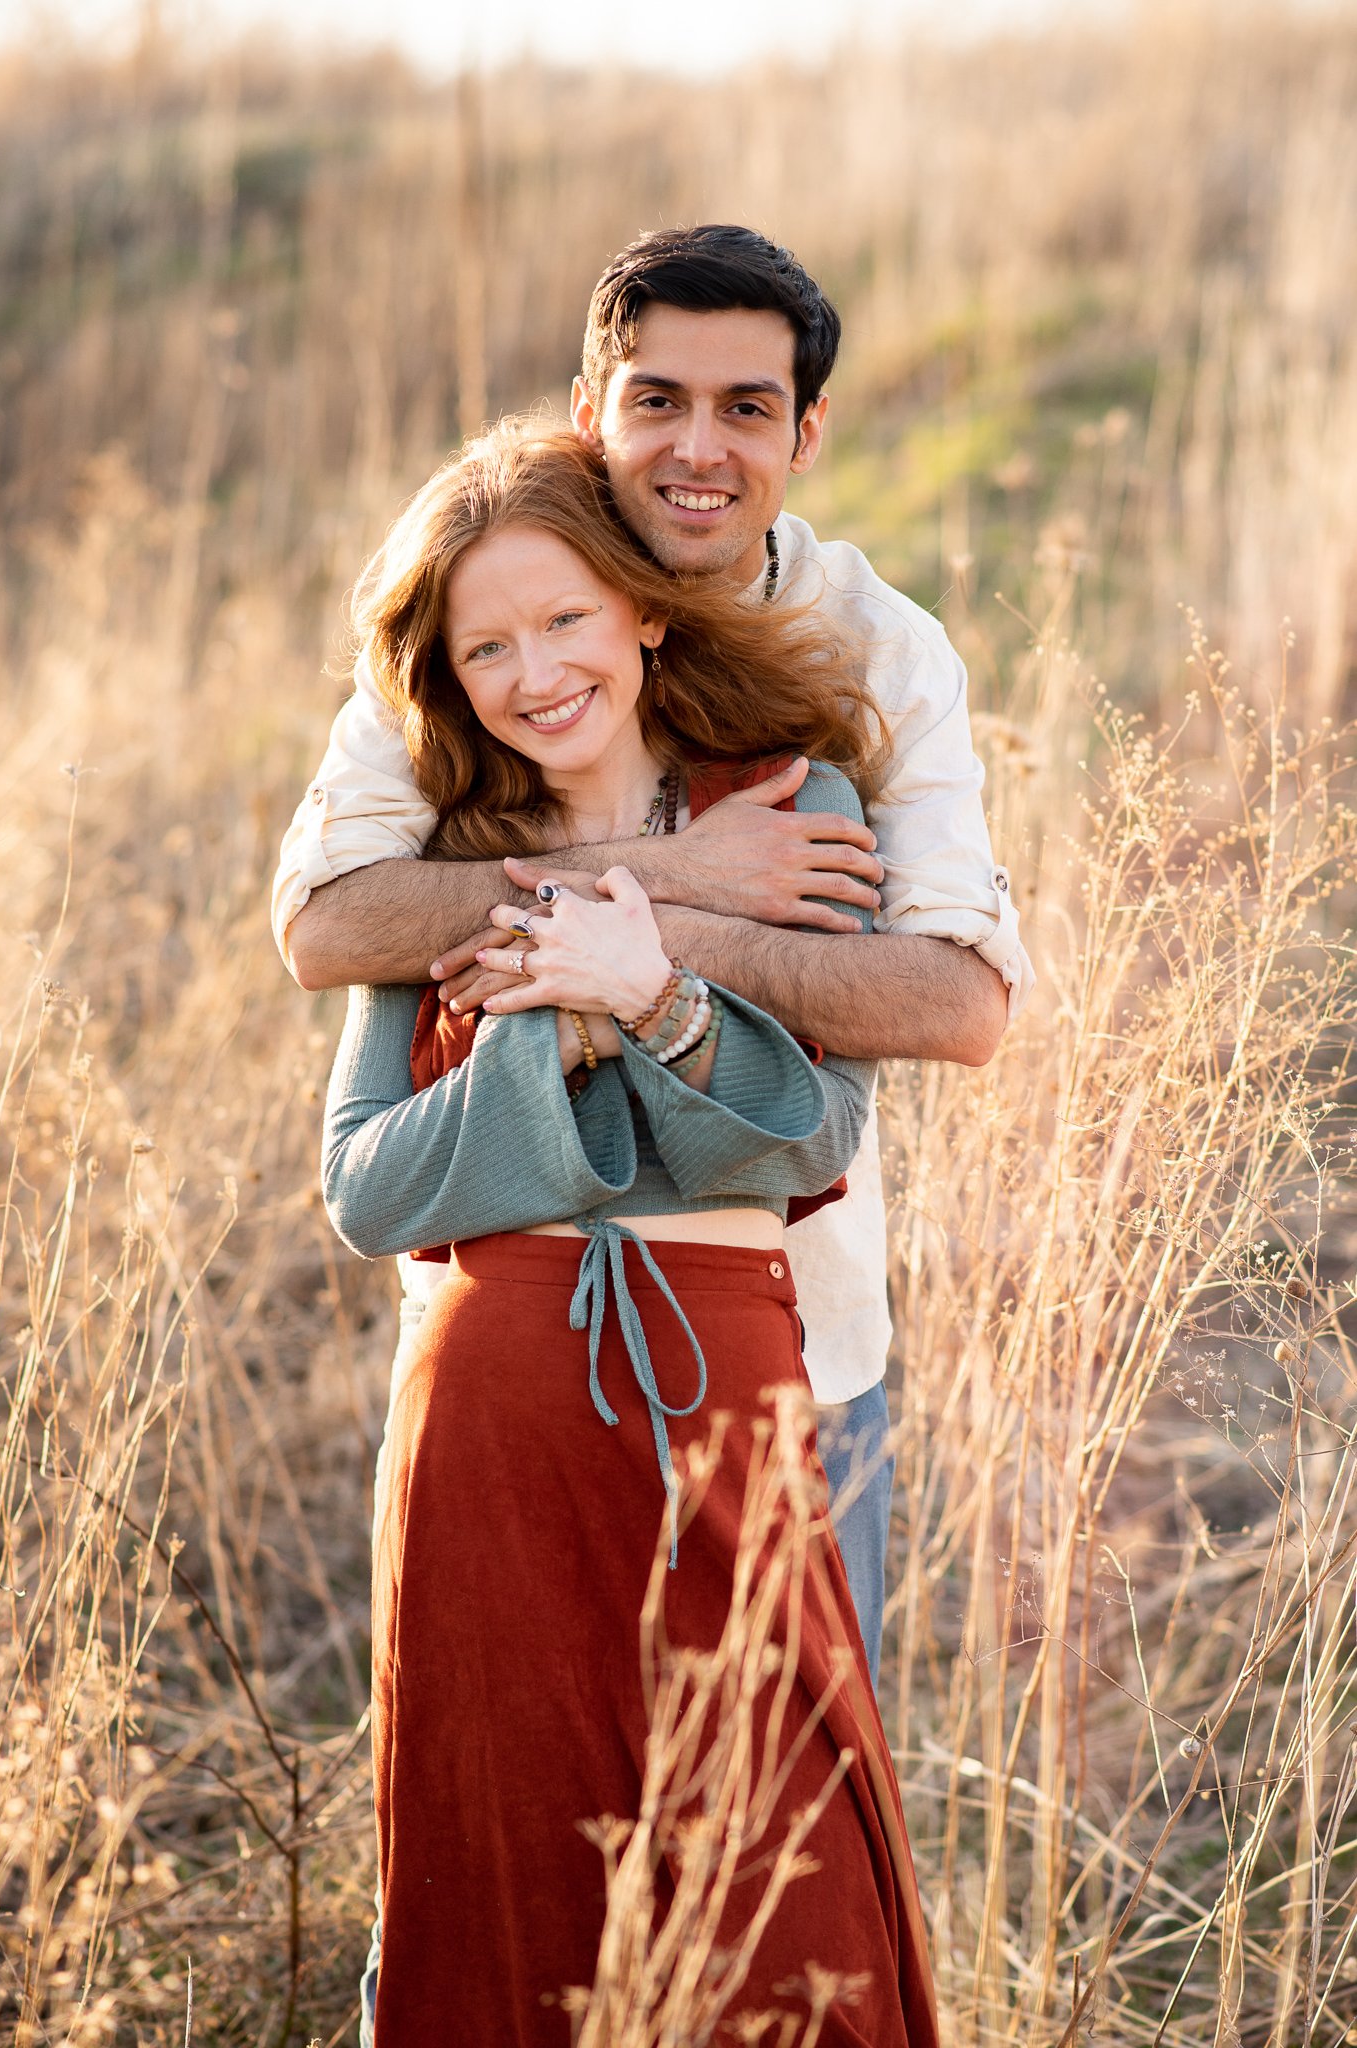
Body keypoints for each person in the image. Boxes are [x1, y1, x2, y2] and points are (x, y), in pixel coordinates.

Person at [274, 225, 1033, 1693]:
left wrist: (656, 943)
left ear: (807, 431)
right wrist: (670, 872)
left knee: (773, 1829)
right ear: (590, 411)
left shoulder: (878, 651)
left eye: (746, 406)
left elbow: (961, 1003)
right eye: (656, 400)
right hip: (496, 1318)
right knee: (513, 1804)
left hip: (792, 1338)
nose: (698, 448)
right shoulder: (481, 618)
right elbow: (326, 925)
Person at [320, 416, 940, 2044]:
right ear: (449, 680)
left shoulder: (799, 810)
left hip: (718, 1405)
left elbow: (808, 1138)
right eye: (487, 647)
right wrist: (562, 1021)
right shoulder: (447, 873)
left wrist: (646, 991)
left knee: (786, 1893)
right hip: (489, 1424)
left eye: (566, 621)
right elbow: (373, 1188)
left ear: (643, 611)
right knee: (512, 1875)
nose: (535, 673)